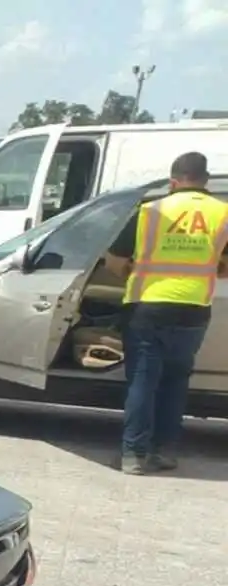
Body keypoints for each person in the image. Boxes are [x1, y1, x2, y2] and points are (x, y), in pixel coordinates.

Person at [104, 152, 228, 474]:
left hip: (148, 306)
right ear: (206, 181)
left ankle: (133, 456)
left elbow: (114, 262)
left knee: (143, 381)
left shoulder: (150, 210)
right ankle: (165, 452)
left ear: (173, 182)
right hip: (194, 310)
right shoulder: (223, 213)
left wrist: (133, 269)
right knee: (175, 382)